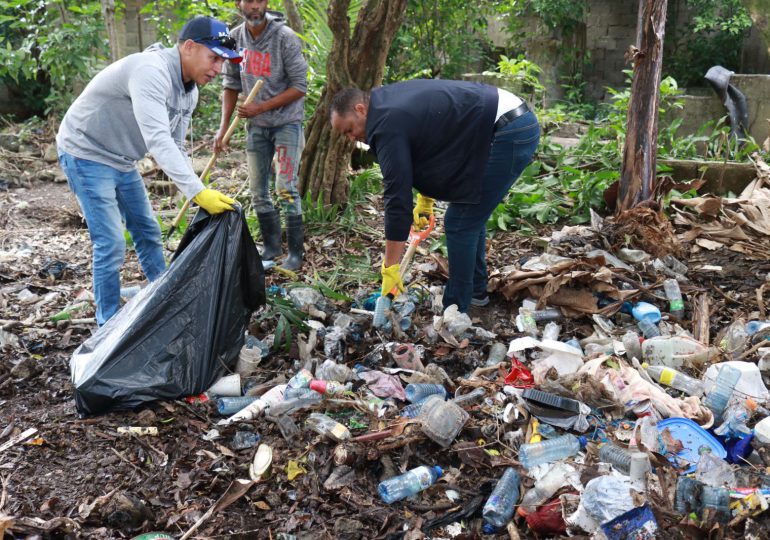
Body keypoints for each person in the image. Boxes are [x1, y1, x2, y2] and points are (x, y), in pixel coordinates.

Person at [57, 16, 241, 326]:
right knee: (112, 242)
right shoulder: (150, 71)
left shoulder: (189, 91)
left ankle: (165, 299)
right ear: (189, 47)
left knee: (148, 231)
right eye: (214, 58)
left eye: (223, 62)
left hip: (121, 160)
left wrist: (199, 189)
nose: (218, 69)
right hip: (85, 152)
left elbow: (177, 147)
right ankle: (107, 326)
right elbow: (158, 141)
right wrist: (198, 193)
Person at [329, 79, 540, 313]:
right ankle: (476, 292)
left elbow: (397, 200)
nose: (351, 137)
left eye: (349, 129)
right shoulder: (384, 105)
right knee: (468, 211)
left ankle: (456, 310)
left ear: (360, 109)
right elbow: (430, 145)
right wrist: (426, 198)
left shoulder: (385, 123)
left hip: (510, 129)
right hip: (496, 125)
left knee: (460, 222)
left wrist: (391, 268)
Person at [216, 0, 308, 271]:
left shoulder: (284, 38)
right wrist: (223, 131)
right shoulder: (233, 39)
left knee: (285, 187)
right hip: (256, 127)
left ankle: (295, 252)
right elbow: (231, 84)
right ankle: (271, 246)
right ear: (239, 4)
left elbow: (300, 86)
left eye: (260, 0)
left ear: (267, 3)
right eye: (249, 0)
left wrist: (261, 107)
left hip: (286, 124)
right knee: (258, 191)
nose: (255, 6)